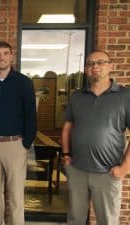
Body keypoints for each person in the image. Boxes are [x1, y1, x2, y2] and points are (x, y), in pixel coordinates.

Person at [61, 50, 130, 225]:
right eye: (91, 63)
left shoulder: (125, 96)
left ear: (110, 67)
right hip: (78, 170)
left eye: (100, 62)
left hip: (108, 173)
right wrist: (66, 155)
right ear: (86, 70)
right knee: (75, 218)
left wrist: (124, 168)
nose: (95, 66)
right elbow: (67, 127)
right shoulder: (77, 97)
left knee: (107, 221)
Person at [0, 41, 37, 225]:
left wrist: (26, 143)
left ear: (11, 56)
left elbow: (30, 115)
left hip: (15, 145)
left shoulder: (23, 83)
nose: (2, 57)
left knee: (15, 194)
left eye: (5, 53)